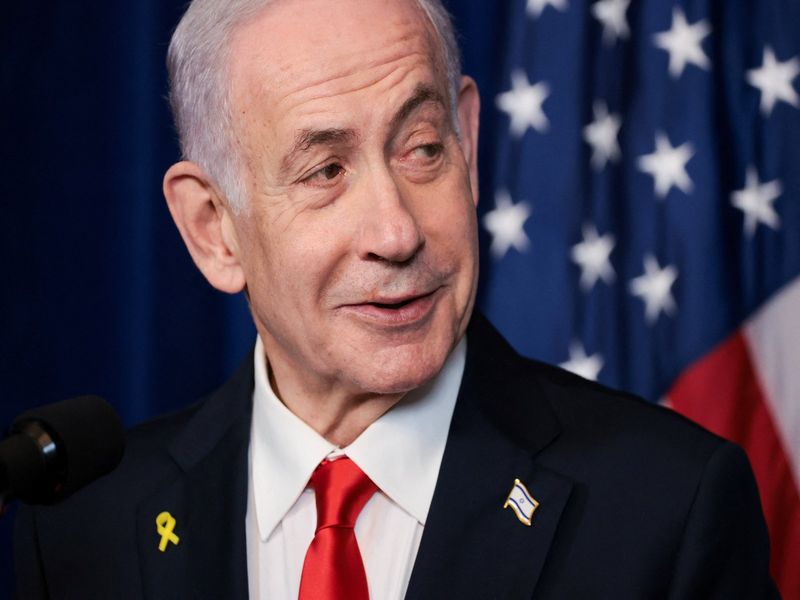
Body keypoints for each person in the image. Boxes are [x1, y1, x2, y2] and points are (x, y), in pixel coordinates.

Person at [15, 0, 777, 598]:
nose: (397, 231)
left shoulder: (669, 511)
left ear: (468, 143)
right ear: (214, 229)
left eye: (423, 148)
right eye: (326, 172)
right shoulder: (85, 528)